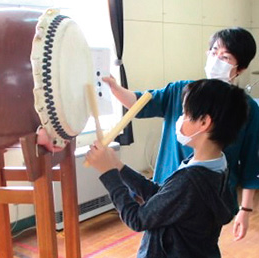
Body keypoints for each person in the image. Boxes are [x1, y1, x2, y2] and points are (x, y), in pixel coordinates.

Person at [102, 27, 259, 241]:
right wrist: (113, 87)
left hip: (203, 199)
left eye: (225, 57)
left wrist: (245, 209)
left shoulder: (245, 108)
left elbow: (250, 163)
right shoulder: (185, 92)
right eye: (213, 53)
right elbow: (140, 103)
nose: (216, 60)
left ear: (240, 68)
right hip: (166, 188)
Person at [86, 79, 249, 258]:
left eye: (185, 114)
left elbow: (138, 219)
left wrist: (109, 175)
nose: (180, 120)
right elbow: (163, 195)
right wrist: (118, 167)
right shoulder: (217, 165)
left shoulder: (190, 182)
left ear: (204, 122)